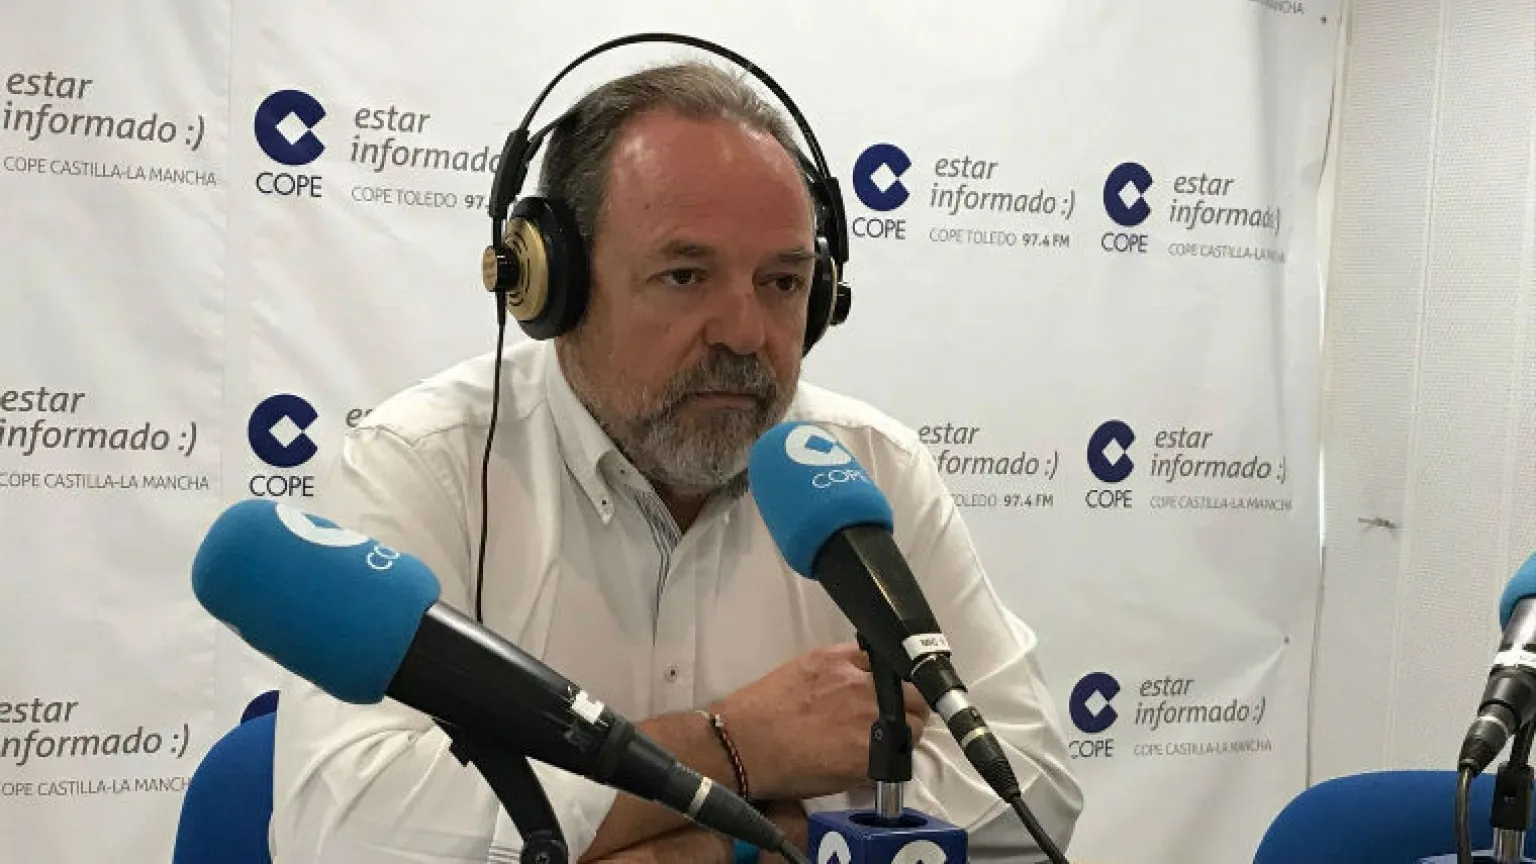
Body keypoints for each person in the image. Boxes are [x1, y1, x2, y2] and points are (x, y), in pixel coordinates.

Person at [268, 58, 1082, 864]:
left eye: (782, 282)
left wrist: (738, 848)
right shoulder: (426, 465)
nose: (745, 332)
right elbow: (338, 831)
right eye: (685, 275)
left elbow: (1031, 784)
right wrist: (737, 744)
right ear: (553, 283)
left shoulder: (870, 466)